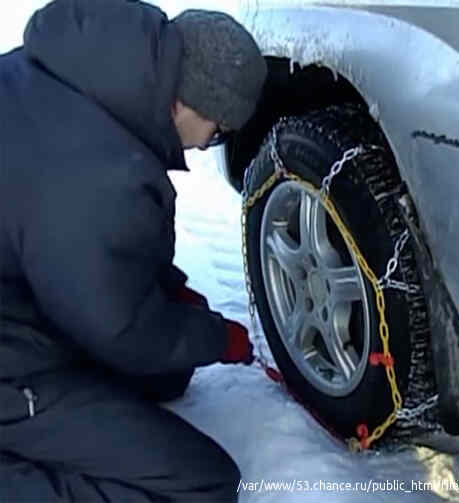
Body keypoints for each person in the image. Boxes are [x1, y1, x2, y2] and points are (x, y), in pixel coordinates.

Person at [0, 0, 268, 501]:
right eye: (217, 133)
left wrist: (171, 293)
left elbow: (82, 249)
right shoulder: (104, 182)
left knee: (168, 373)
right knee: (201, 483)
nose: (206, 145)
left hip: (23, 301)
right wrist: (216, 338)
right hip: (12, 365)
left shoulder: (67, 73)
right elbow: (123, 331)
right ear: (190, 105)